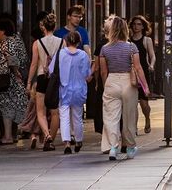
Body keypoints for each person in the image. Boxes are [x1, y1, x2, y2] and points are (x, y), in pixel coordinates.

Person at [100, 15, 149, 161]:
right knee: (129, 116)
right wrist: (145, 87)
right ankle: (130, 147)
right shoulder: (131, 47)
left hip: (111, 81)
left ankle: (113, 147)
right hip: (128, 82)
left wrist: (105, 85)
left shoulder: (105, 49)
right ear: (125, 30)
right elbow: (139, 68)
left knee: (111, 117)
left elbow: (103, 71)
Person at [49, 31, 91, 154]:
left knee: (64, 117)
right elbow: (86, 74)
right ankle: (78, 140)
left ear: (65, 41)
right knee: (77, 116)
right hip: (79, 90)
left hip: (64, 89)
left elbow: (51, 71)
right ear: (78, 42)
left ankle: (66, 143)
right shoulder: (83, 55)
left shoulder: (60, 54)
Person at [26, 13, 63, 151]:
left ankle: (46, 135)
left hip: (42, 77)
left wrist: (29, 82)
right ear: (55, 26)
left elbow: (34, 64)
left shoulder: (37, 43)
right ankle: (51, 140)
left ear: (43, 27)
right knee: (55, 112)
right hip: (55, 78)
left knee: (40, 111)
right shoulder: (62, 42)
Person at [0, 17, 29, 144]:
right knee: (12, 107)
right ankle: (12, 135)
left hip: (9, 80)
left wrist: (16, 73)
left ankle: (7, 136)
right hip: (13, 79)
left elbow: (12, 59)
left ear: (3, 31)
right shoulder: (16, 40)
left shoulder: (7, 42)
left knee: (7, 108)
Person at [128, 15, 156, 134]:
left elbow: (152, 55)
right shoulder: (128, 40)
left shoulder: (146, 40)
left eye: (139, 24)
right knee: (132, 102)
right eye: (134, 24)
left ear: (143, 26)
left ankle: (147, 118)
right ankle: (134, 128)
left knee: (144, 103)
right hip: (131, 73)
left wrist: (151, 65)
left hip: (143, 72)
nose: (136, 27)